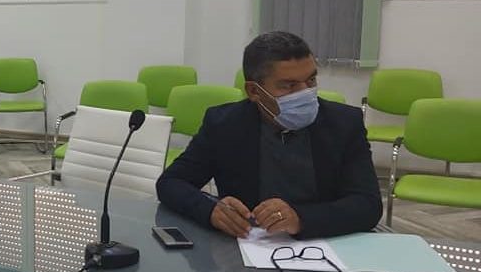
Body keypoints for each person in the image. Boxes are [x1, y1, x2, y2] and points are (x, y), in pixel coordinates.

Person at [156, 31, 382, 239]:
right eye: (289, 86)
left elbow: (368, 204)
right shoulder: (224, 124)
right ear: (254, 91)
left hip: (323, 244)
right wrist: (211, 211)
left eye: (311, 80)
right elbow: (171, 183)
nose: (305, 93)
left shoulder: (344, 123)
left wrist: (301, 218)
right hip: (247, 248)